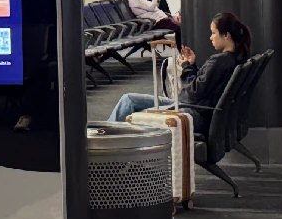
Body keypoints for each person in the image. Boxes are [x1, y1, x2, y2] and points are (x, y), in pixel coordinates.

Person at [108, 12, 253, 133]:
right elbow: (204, 86)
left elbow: (193, 91)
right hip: (194, 107)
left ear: (226, 35)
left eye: (213, 33)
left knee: (133, 111)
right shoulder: (234, 59)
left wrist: (185, 66)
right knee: (129, 100)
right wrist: (191, 64)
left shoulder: (219, 61)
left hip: (193, 111)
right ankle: (107, 137)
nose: (211, 37)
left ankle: (106, 140)